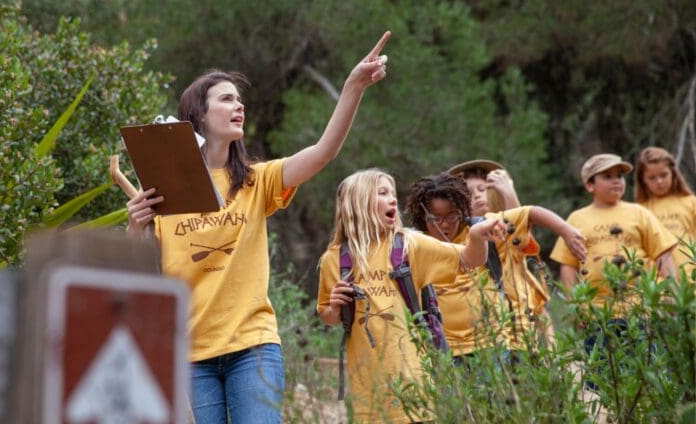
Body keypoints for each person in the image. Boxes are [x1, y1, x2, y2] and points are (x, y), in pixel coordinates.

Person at [125, 31, 391, 423]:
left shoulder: (257, 180)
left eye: (240, 99)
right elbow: (142, 277)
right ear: (198, 115)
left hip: (253, 347)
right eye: (227, 98)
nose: (240, 105)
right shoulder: (164, 190)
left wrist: (353, 87)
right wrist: (135, 227)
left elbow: (323, 152)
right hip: (190, 356)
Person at [316, 168, 503, 423]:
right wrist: (336, 306)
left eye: (392, 193)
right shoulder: (334, 259)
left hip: (414, 381)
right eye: (382, 193)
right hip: (367, 386)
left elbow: (468, 259)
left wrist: (476, 237)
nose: (393, 199)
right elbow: (327, 316)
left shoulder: (409, 245)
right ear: (357, 204)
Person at [405, 172, 586, 360]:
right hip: (446, 348)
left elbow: (528, 213)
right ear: (423, 217)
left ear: (461, 210)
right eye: (435, 219)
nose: (444, 225)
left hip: (491, 343)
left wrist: (566, 231)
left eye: (451, 216)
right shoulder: (418, 244)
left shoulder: (484, 228)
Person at [550, 153, 678, 314]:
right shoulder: (576, 219)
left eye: (619, 176)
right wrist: (575, 307)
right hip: (597, 314)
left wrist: (672, 295)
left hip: (643, 309)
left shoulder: (639, 213)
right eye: (608, 176)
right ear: (590, 185)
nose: (616, 180)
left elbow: (663, 255)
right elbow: (568, 265)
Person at [634, 146, 696, 273]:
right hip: (660, 282)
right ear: (643, 180)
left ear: (673, 173)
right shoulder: (639, 211)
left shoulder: (690, 202)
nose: (659, 181)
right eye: (652, 178)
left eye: (664, 175)